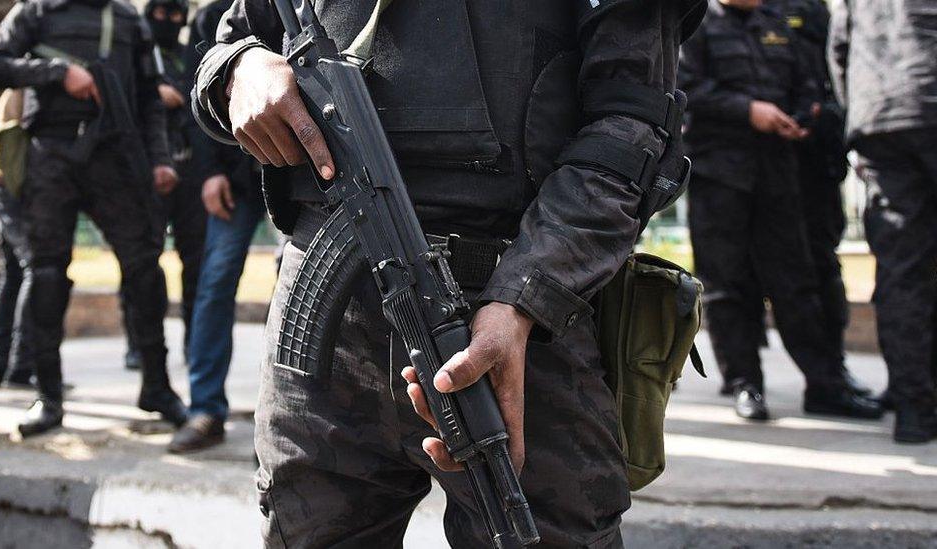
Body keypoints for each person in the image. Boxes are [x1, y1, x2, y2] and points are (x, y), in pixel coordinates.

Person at [193, 0, 706, 545]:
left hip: (516, 334)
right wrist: (239, 70)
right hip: (326, 329)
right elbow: (233, 43)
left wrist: (521, 300)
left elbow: (631, 134)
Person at [0, 0, 187, 437]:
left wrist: (160, 160)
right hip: (50, 154)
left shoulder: (130, 19)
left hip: (115, 155)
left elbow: (150, 98)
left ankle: (156, 385)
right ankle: (49, 396)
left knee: (144, 268)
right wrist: (57, 74)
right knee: (47, 272)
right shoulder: (35, 12)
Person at [679, 0, 881, 421]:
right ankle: (744, 383)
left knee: (797, 281)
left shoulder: (776, 23)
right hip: (720, 173)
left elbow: (809, 81)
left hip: (779, 172)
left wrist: (805, 113)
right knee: (726, 283)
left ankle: (825, 384)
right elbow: (687, 88)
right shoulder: (695, 24)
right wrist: (748, 110)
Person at [829, 0, 937, 443]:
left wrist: (856, 122)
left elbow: (838, 51)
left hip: (883, 118)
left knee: (901, 270)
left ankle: (913, 409)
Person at [166, 0, 264, 454]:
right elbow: (194, 103)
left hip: (313, 177)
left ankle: (315, 418)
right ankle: (205, 409)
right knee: (215, 283)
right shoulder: (210, 18)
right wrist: (208, 173)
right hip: (238, 177)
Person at [122, 0, 207, 372]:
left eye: (174, 16)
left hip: (189, 172)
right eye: (159, 14)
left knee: (196, 265)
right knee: (142, 265)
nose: (166, 22)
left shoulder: (188, 55)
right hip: (146, 173)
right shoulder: (134, 56)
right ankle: (139, 345)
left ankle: (194, 344)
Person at [0, 88, 35, 390]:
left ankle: (3, 368)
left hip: (1, 185)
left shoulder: (16, 86)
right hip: (12, 187)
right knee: (33, 269)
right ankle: (19, 368)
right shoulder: (25, 86)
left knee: (13, 276)